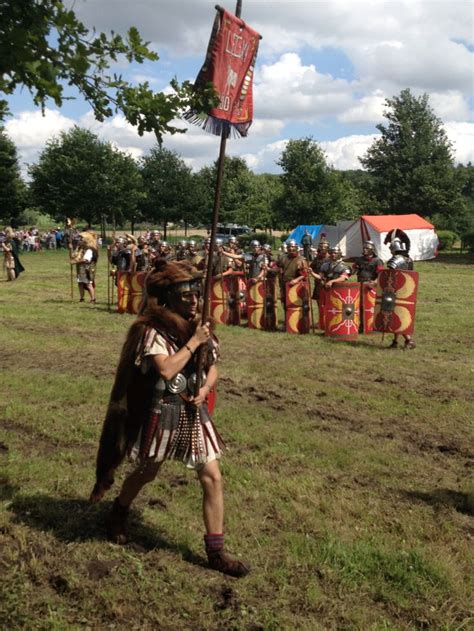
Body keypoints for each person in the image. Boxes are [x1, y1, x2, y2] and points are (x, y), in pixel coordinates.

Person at [89, 259, 250, 578]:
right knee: (147, 472)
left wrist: (205, 387)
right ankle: (118, 511)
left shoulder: (201, 326)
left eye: (196, 294)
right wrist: (194, 342)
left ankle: (216, 552)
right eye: (186, 295)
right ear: (168, 297)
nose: (193, 300)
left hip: (194, 410)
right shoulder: (152, 330)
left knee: (213, 477)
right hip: (164, 411)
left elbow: (213, 365)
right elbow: (166, 368)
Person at [386, 238, 416, 350]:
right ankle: (395, 341)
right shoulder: (409, 260)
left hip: (395, 290)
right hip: (406, 291)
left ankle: (409, 340)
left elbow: (389, 274)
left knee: (396, 316)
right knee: (398, 315)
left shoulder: (396, 259)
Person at [277, 239, 308, 311]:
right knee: (285, 302)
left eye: (292, 247)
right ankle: (287, 321)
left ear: (296, 247)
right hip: (284, 283)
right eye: (289, 247)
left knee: (296, 303)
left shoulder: (301, 260)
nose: (291, 248)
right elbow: (278, 267)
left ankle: (297, 321)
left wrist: (296, 280)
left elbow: (305, 274)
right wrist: (268, 268)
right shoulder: (283, 257)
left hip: (296, 285)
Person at [69, 232, 98, 303]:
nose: (80, 240)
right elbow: (73, 256)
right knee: (80, 283)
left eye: (82, 239)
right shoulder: (80, 248)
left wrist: (74, 262)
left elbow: (86, 259)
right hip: (80, 268)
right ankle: (82, 298)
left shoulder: (90, 249)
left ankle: (93, 299)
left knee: (88, 284)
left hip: (87, 269)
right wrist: (71, 249)